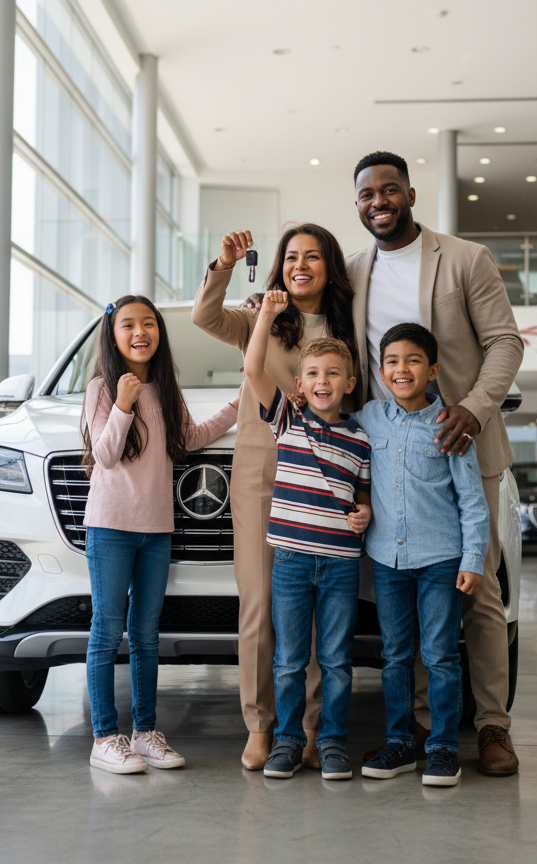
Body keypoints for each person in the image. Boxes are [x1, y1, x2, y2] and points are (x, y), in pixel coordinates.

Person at [347, 151, 524, 776]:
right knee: (409, 608)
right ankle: (423, 729)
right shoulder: (352, 271)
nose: (379, 202)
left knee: (476, 593)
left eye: (389, 190)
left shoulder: (465, 258)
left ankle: (492, 726)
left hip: (463, 443)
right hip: (394, 454)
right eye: (367, 194)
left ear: (411, 194)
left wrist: (473, 408)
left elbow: (506, 340)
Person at [192, 225, 360, 770]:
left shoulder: (349, 324)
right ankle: (260, 725)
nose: (300, 264)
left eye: (313, 256)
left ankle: (309, 730)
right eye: (291, 256)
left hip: (329, 475)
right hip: (263, 468)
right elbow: (205, 319)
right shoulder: (258, 314)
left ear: (330, 266)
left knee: (318, 612)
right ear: (280, 265)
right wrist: (222, 264)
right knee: (261, 603)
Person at [81, 295, 238, 774]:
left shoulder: (166, 390)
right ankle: (105, 737)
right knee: (107, 631)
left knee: (146, 635)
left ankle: (145, 733)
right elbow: (105, 456)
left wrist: (238, 405)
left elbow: (189, 438)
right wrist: (123, 405)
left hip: (157, 529)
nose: (140, 331)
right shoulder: (101, 389)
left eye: (148, 323)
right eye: (128, 324)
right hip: (110, 526)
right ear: (113, 334)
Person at [241, 287, 372, 781]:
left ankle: (332, 741)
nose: (323, 381)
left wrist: (363, 513)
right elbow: (254, 370)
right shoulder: (286, 420)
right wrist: (268, 315)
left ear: (349, 383)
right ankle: (288, 742)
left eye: (333, 374)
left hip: (340, 564)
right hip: (292, 561)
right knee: (291, 659)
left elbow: (363, 495)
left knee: (336, 661)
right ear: (299, 383)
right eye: (314, 374)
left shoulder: (359, 438)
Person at [353, 323, 489, 787]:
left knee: (440, 655)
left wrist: (473, 560)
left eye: (412, 360)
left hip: (440, 560)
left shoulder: (451, 425)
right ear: (381, 369)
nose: (401, 369)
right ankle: (399, 743)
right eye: (391, 361)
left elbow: (472, 501)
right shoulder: (369, 417)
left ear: (432, 369)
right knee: (394, 655)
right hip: (387, 561)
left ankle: (444, 748)